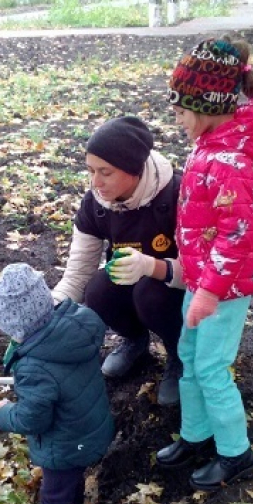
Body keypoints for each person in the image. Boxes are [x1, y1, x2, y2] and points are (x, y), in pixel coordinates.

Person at [155, 36, 253, 491]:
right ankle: (196, 434)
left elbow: (239, 236)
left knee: (210, 367)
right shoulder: (212, 144)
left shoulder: (233, 162)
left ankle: (235, 452)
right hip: (205, 281)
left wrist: (207, 292)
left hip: (223, 289)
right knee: (189, 356)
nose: (178, 121)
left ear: (206, 106)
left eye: (181, 112)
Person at [51, 116, 185, 406]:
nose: (96, 182)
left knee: (150, 293)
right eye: (90, 171)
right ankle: (135, 341)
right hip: (130, 277)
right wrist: (50, 308)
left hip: (175, 287)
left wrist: (152, 266)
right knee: (97, 289)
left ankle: (179, 355)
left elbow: (201, 270)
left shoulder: (177, 195)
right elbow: (79, 272)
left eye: (106, 172)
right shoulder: (96, 205)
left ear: (134, 169)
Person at [0, 263, 115, 504]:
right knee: (70, 479)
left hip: (65, 442)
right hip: (89, 427)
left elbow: (34, 418)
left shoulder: (35, 366)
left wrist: (4, 414)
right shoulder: (74, 329)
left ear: (17, 328)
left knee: (54, 493)